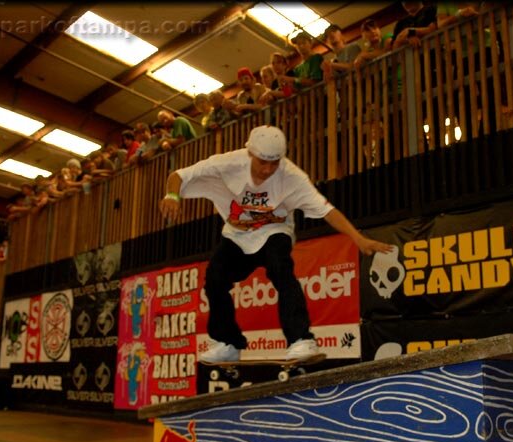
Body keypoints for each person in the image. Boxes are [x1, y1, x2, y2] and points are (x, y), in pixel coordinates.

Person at [159, 125, 393, 363]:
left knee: (280, 268)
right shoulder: (228, 163)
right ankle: (227, 343)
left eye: (274, 163)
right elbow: (178, 176)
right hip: (237, 236)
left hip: (275, 231)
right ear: (250, 153)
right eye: (262, 162)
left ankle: (301, 340)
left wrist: (358, 238)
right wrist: (172, 196)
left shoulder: (292, 176)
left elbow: (327, 210)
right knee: (215, 277)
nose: (268, 170)